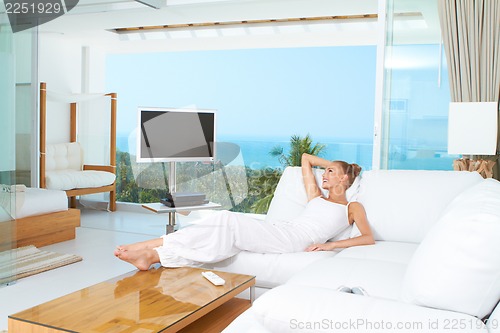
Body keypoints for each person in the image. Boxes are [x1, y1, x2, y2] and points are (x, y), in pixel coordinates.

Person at [114, 153, 374, 270]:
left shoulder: (352, 207)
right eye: (325, 170)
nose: (324, 174)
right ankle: (153, 254)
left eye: (331, 172)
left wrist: (329, 246)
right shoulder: (316, 196)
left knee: (227, 221)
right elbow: (306, 158)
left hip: (296, 241)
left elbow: (367, 238)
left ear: (344, 181)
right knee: (222, 235)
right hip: (283, 230)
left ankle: (149, 250)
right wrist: (340, 166)